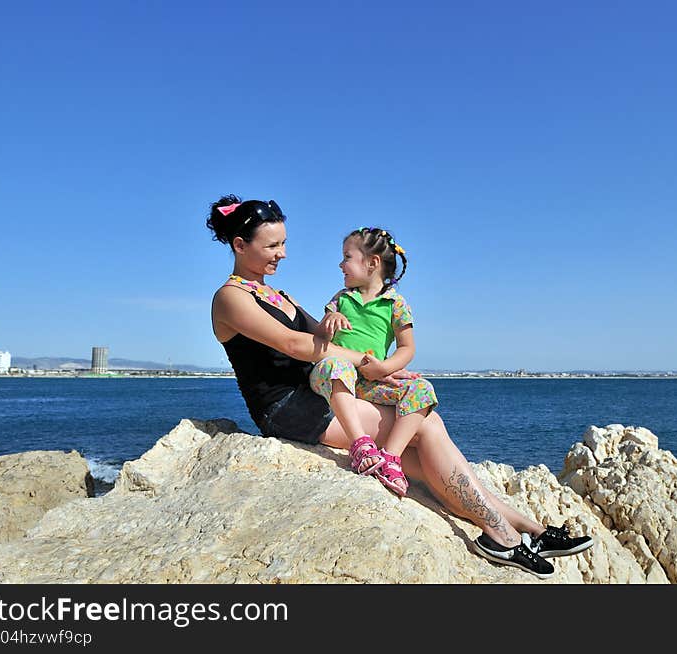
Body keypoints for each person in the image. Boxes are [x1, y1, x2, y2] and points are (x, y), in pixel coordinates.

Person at [206, 194, 594, 578]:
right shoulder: (230, 298)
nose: (283, 253)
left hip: (324, 394)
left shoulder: (279, 294)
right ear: (240, 246)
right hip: (288, 408)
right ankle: (503, 535)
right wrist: (363, 364)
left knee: (431, 462)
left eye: (284, 243)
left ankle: (526, 531)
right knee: (426, 427)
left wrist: (380, 369)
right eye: (272, 245)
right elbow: (295, 344)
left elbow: (329, 339)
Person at [308, 226, 438, 498]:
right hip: (335, 379)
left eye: (347, 257)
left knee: (422, 389)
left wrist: (386, 368)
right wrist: (327, 324)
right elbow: (318, 339)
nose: (340, 264)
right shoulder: (341, 299)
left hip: (370, 381)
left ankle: (391, 457)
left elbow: (407, 347)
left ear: (372, 263)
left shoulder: (395, 303)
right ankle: (360, 445)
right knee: (337, 365)